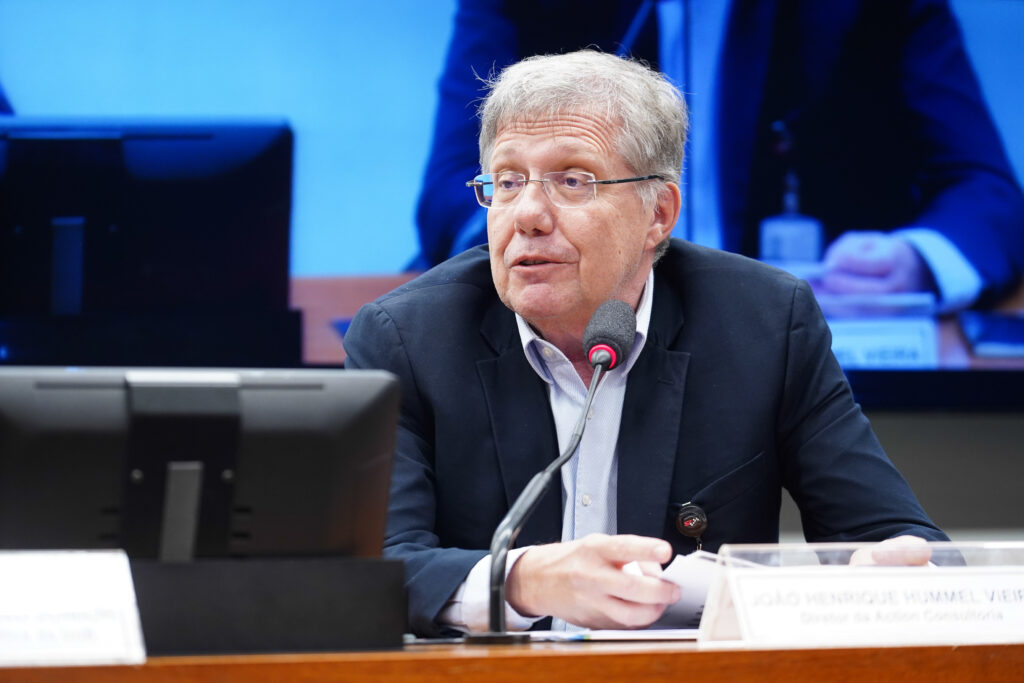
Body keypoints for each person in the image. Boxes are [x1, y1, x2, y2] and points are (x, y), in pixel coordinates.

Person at [345, 50, 947, 637]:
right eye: (507, 181)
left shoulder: (764, 324)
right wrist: (524, 580)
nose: (527, 214)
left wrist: (889, 572)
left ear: (658, 212)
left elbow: (893, 538)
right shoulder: (406, 339)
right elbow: (372, 568)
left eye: (572, 180)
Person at [412, 0, 1024, 312]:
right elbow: (451, 191)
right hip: (576, 333)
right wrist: (541, 242)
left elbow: (986, 194)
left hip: (809, 335)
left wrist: (915, 260)